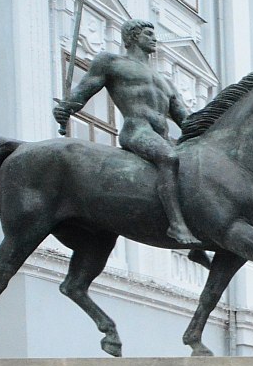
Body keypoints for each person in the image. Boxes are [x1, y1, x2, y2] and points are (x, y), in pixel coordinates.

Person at [52, 19, 201, 246]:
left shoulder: (165, 82)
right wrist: (67, 107)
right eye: (148, 33)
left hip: (161, 137)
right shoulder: (112, 62)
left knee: (194, 171)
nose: (154, 38)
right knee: (169, 158)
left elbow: (186, 120)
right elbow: (84, 90)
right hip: (137, 130)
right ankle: (176, 225)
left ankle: (197, 235)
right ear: (132, 36)